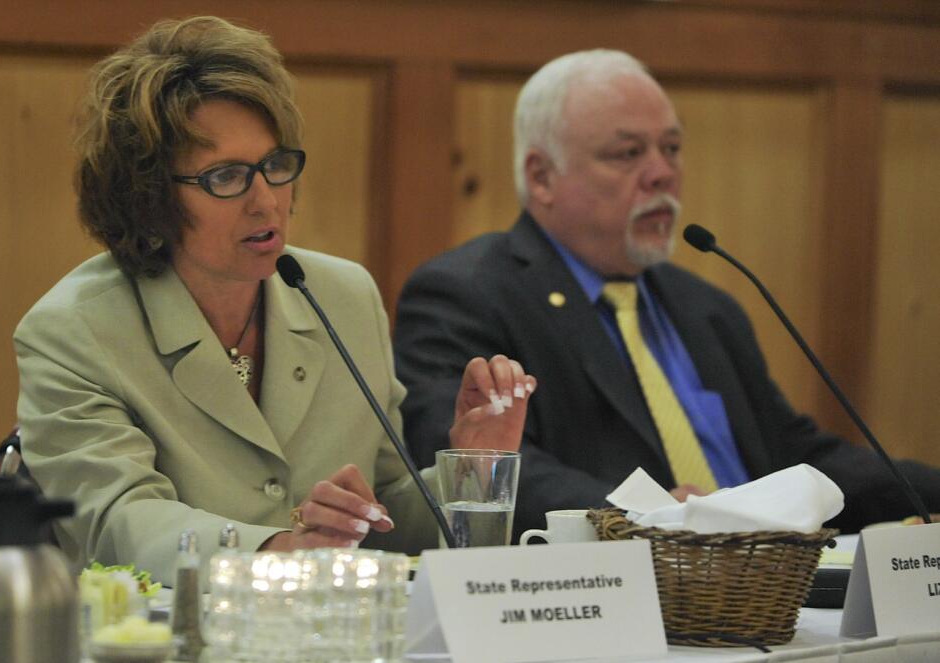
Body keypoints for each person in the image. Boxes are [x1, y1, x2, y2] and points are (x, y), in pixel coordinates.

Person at [15, 16, 534, 585]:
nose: (267, 202)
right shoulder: (75, 330)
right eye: (226, 177)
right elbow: (116, 523)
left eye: (275, 166)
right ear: (148, 198)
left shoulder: (343, 297)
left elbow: (387, 516)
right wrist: (278, 550)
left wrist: (473, 469)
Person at [394, 49, 940, 537]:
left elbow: (792, 455)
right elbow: (473, 467)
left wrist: (924, 490)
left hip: (765, 589)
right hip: (613, 597)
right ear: (542, 177)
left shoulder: (706, 307)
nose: (662, 174)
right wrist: (656, 518)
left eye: (672, 148)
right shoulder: (465, 295)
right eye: (628, 153)